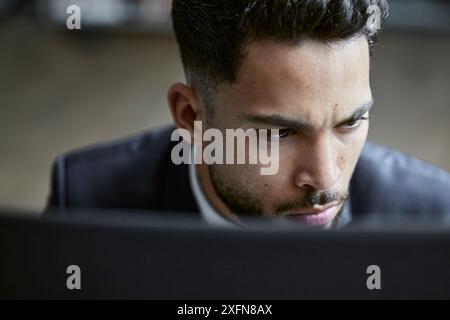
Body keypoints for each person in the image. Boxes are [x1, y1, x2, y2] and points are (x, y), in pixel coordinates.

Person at [47, 0, 450, 229]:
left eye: (350, 121)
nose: (326, 178)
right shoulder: (86, 205)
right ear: (191, 118)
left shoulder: (432, 215)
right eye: (279, 134)